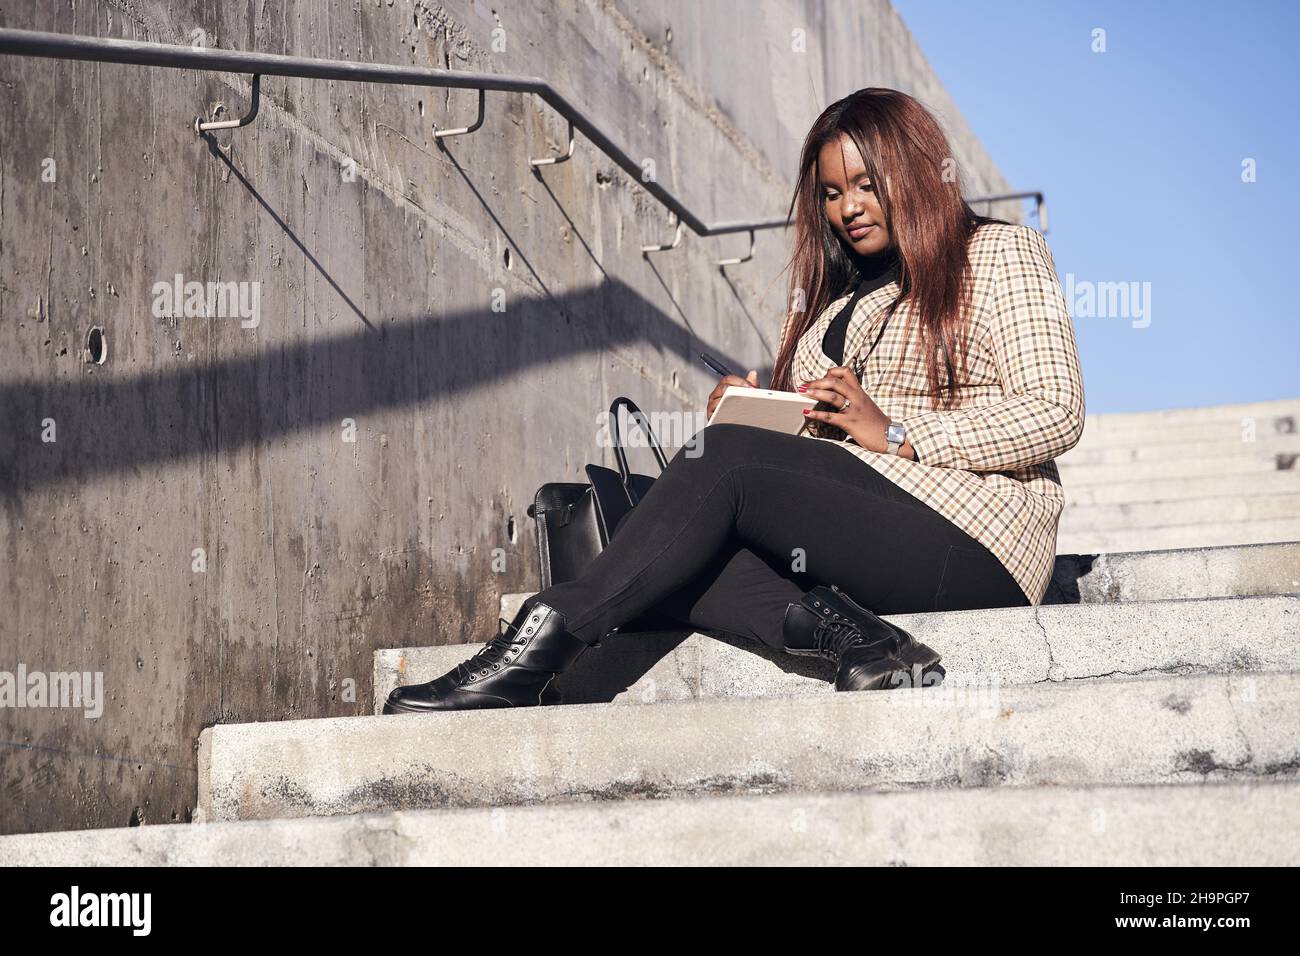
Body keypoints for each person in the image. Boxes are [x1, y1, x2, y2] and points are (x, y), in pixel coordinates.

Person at [383, 87, 1085, 714]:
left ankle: (528, 652)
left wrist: (896, 431)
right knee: (665, 532)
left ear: (913, 172)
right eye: (833, 194)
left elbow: (1057, 409)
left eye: (867, 185)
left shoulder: (997, 253)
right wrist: (763, 412)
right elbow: (825, 450)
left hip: (973, 537)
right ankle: (852, 637)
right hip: (868, 531)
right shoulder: (823, 301)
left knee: (713, 475)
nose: (848, 209)